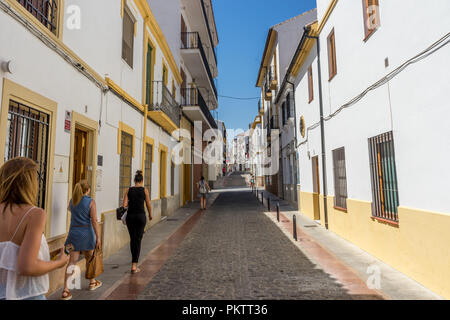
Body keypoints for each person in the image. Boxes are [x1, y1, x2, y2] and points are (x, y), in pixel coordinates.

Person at [0, 157, 69, 300]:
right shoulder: (34, 214)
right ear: (30, 184)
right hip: (26, 294)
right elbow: (27, 266)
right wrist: (58, 263)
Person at [61, 180, 102, 300]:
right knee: (90, 259)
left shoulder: (72, 201)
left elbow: (70, 210)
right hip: (86, 234)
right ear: (88, 190)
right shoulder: (90, 202)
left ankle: (65, 290)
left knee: (72, 262)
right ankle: (92, 282)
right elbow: (94, 221)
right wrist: (98, 237)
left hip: (73, 235)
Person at [122, 171, 152, 274]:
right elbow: (148, 204)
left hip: (130, 217)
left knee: (132, 239)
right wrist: (150, 214)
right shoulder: (145, 190)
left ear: (134, 180)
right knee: (138, 240)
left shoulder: (128, 190)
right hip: (140, 217)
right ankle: (134, 265)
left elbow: (124, 205)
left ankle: (133, 264)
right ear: (142, 181)